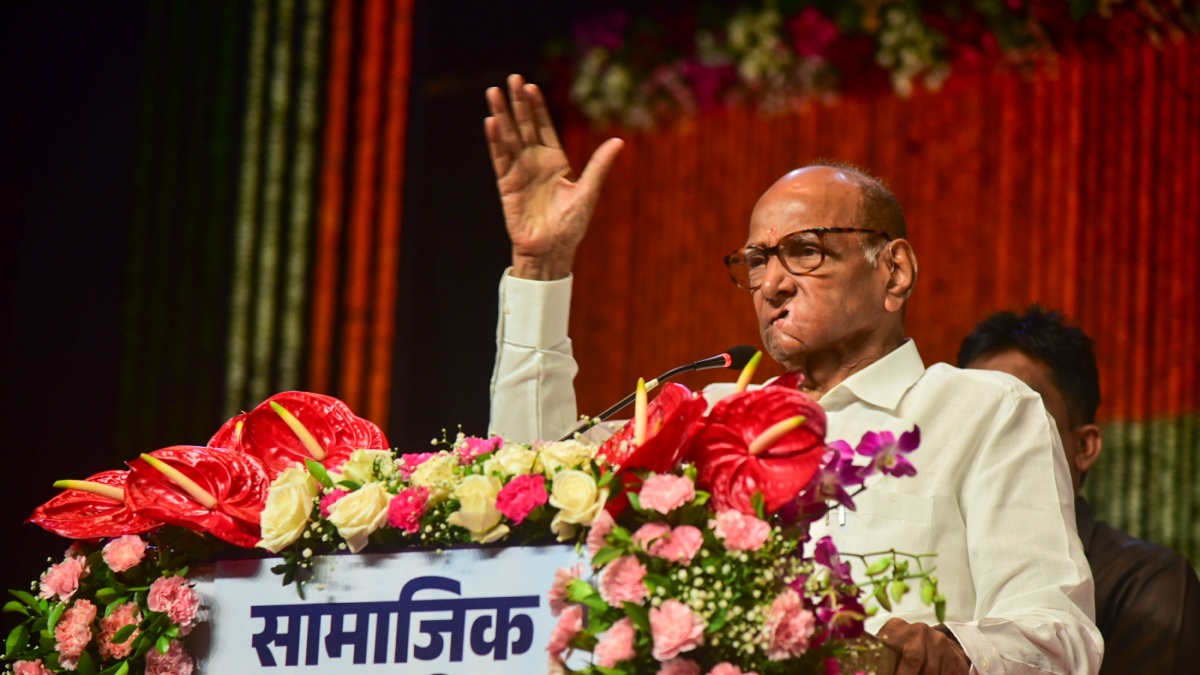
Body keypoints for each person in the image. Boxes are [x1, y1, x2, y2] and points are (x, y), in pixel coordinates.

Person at [484, 74, 1102, 674]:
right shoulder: (707, 419)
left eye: (806, 251)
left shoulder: (983, 411)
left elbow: (1059, 637)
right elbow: (529, 487)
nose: (773, 283)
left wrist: (950, 654)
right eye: (757, 260)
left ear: (894, 271)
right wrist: (541, 266)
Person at [959, 305, 1200, 674]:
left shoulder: (1146, 582)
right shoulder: (932, 557)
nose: (992, 438)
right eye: (972, 414)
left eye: (1022, 417)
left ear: (1084, 447)